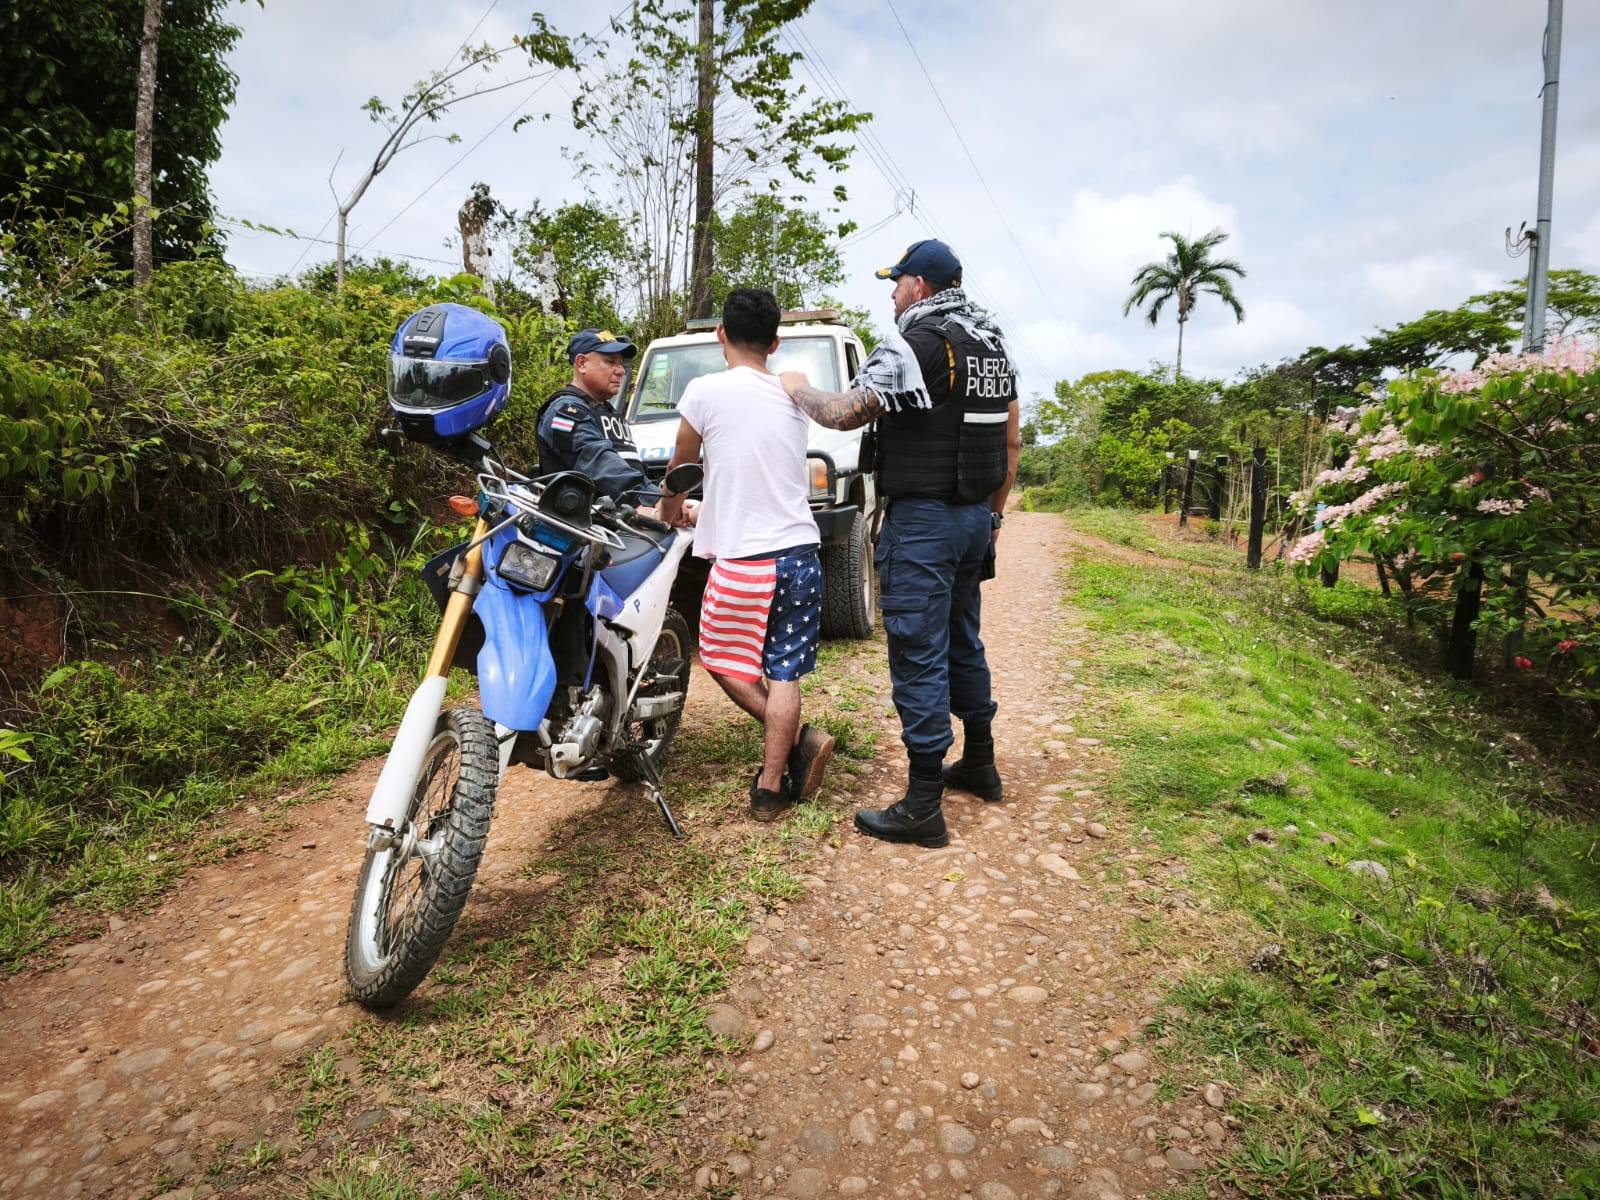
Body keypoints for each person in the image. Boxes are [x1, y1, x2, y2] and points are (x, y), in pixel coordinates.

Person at [777, 239, 1020, 849]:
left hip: (926, 524)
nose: (891, 293)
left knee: (918, 648)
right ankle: (980, 763)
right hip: (972, 520)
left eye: (897, 282)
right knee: (963, 637)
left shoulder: (916, 342)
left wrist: (798, 388)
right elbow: (1011, 441)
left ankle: (921, 805)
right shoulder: (992, 344)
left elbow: (845, 412)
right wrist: (992, 517)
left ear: (921, 286)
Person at [658, 289, 835, 822]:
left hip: (745, 563)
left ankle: (801, 739)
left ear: (720, 336)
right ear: (775, 342)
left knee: (714, 654)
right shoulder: (793, 391)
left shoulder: (704, 390)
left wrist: (670, 510)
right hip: (801, 551)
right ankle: (771, 787)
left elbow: (681, 466)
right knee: (785, 673)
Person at [535, 328, 656, 510]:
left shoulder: (607, 411)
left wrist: (662, 495)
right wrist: (654, 499)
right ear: (582, 363)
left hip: (623, 526)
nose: (621, 371)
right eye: (610, 362)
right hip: (584, 533)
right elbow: (600, 464)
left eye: (620, 363)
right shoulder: (566, 412)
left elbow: (630, 467)